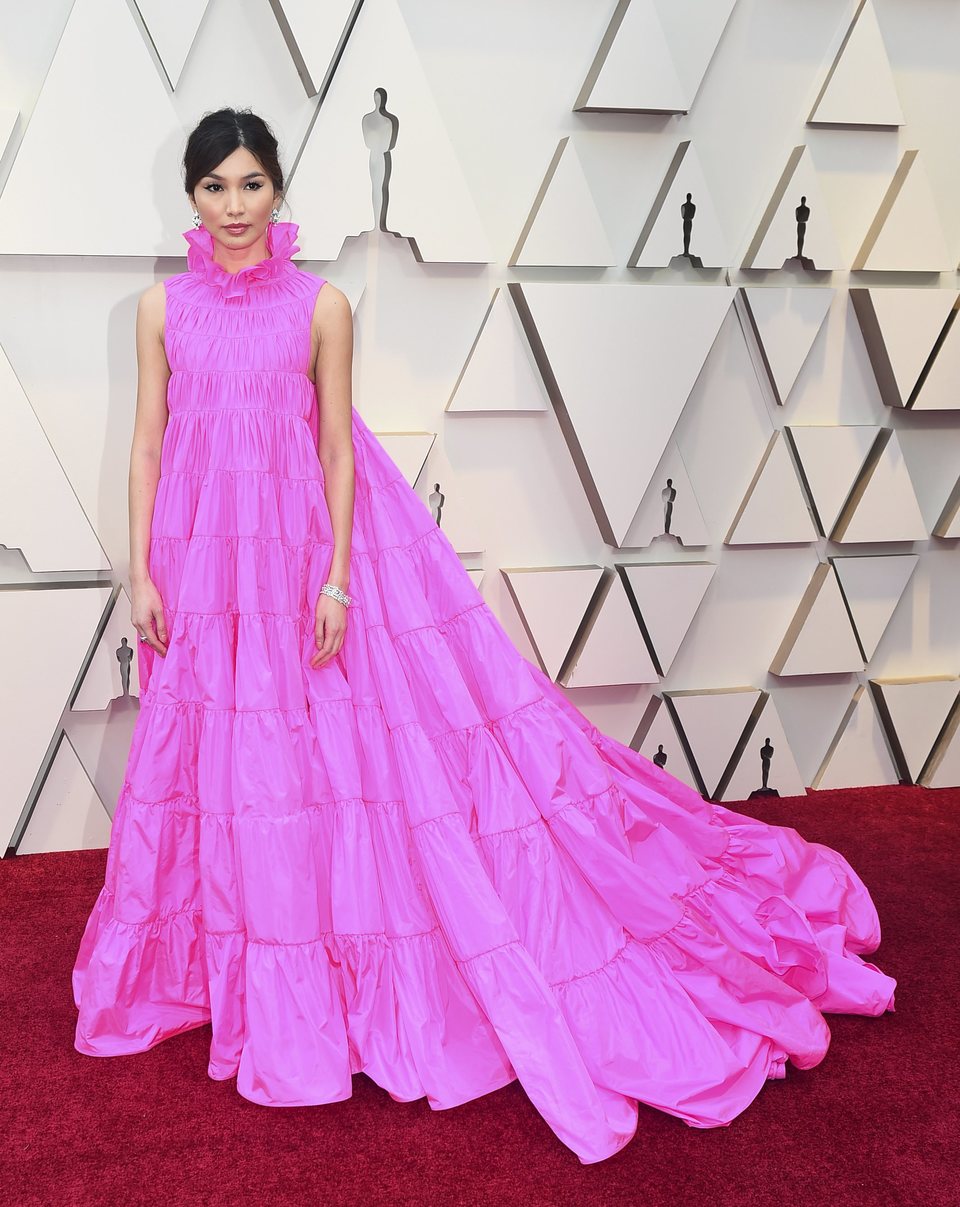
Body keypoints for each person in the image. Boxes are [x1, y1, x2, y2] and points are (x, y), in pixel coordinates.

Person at [72, 108, 896, 1166]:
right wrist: (141, 569)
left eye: (252, 186)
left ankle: (331, 967)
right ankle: (241, 964)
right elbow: (148, 443)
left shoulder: (322, 307)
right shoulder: (158, 309)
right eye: (215, 189)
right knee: (235, 761)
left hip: (300, 553)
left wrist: (333, 580)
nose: (234, 208)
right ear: (190, 197)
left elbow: (333, 448)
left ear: (279, 192)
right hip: (203, 560)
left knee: (325, 756)